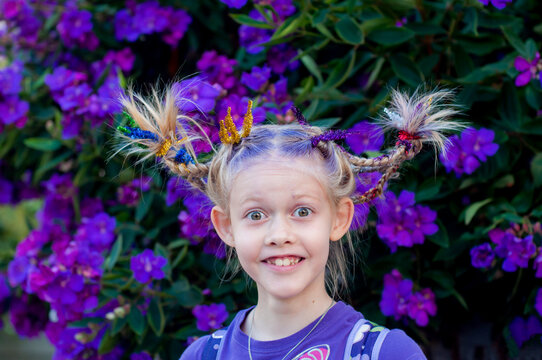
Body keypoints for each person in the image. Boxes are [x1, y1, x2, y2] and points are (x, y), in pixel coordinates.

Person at [117, 86, 462, 360]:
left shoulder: (384, 354)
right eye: (255, 215)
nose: (279, 235)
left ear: (339, 218)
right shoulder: (203, 355)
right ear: (226, 227)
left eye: (302, 212)